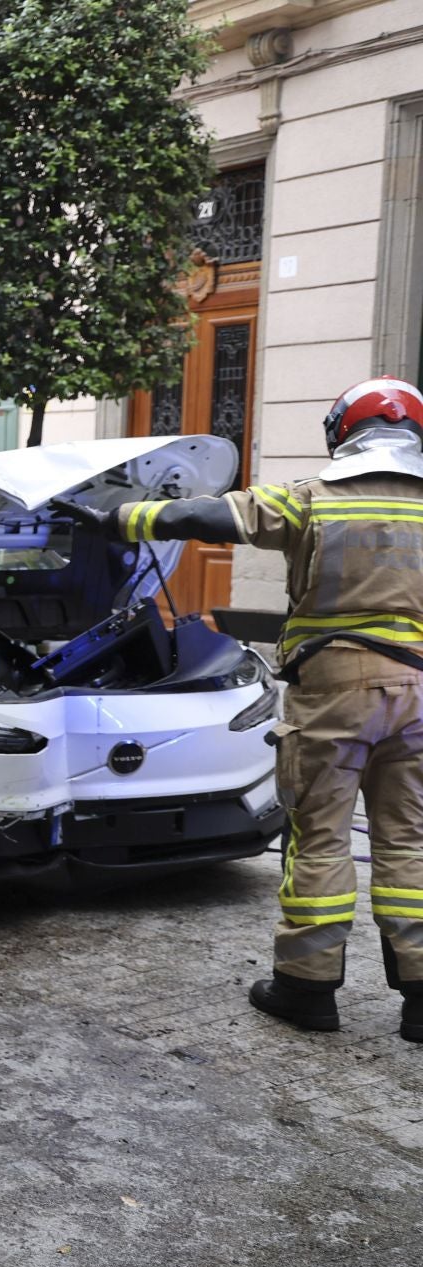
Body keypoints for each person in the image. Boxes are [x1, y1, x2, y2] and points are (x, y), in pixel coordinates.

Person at [59, 376, 423, 1043]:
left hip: (334, 688)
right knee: (409, 841)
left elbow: (205, 517)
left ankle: (307, 988)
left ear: (344, 433)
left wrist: (117, 518)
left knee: (321, 838)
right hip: (421, 695)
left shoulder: (314, 501)